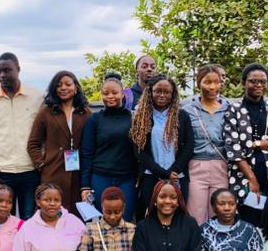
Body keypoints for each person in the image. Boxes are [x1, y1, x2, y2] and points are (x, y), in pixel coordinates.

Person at [0, 52, 41, 219]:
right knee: (3, 221)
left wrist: (42, 161)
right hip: (1, 174)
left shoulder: (36, 97)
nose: (2, 75)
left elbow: (44, 134)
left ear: (18, 69)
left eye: (7, 70)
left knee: (29, 221)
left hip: (31, 172)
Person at [224, 64, 268, 226]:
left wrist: (255, 143)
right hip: (243, 175)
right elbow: (233, 148)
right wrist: (252, 179)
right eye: (254, 81)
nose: (259, 85)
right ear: (244, 83)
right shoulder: (234, 109)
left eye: (263, 81)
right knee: (247, 218)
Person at [129, 74, 194, 220]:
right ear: (150, 92)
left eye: (167, 92)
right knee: (151, 217)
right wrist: (163, 173)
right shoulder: (141, 116)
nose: (162, 95)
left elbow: (189, 145)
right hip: (150, 176)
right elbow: (139, 151)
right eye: (158, 91)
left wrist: (174, 170)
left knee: (177, 216)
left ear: (173, 94)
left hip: (178, 176)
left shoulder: (182, 115)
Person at [27, 70, 91, 217]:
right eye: (59, 85)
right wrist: (42, 164)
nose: (63, 88)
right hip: (53, 172)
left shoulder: (85, 112)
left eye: (68, 84)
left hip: (78, 173)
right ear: (54, 89)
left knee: (75, 217)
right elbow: (33, 144)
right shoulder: (46, 112)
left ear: (75, 88)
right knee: (51, 214)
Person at [79, 73, 138, 220]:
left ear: (123, 94)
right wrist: (85, 185)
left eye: (114, 92)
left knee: (126, 219)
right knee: (103, 220)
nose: (110, 96)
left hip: (127, 178)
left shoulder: (133, 118)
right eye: (105, 93)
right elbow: (87, 152)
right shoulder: (95, 119)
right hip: (100, 177)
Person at [183, 64, 232, 224]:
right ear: (199, 83)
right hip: (196, 166)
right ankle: (196, 248)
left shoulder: (229, 109)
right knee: (195, 215)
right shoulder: (188, 110)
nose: (212, 87)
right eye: (207, 82)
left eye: (216, 82)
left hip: (221, 166)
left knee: (219, 213)